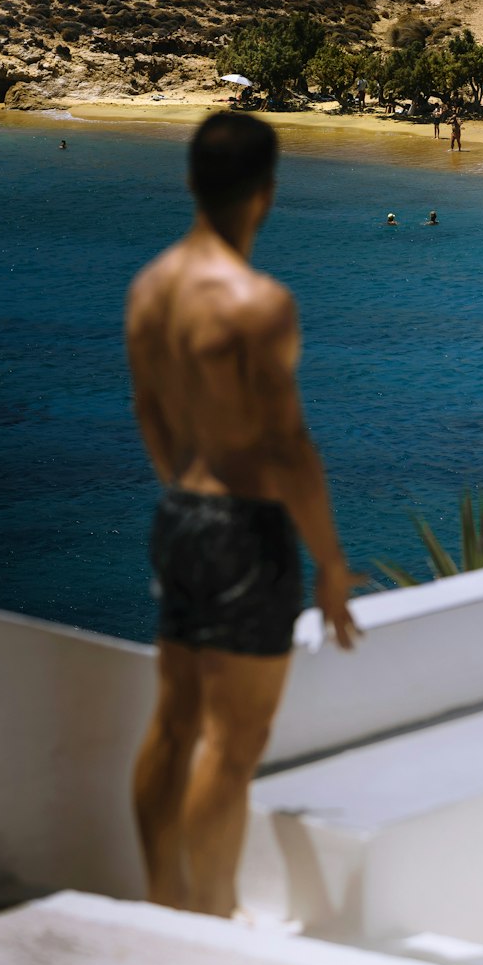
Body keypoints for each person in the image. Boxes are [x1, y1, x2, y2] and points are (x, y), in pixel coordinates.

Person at [125, 112, 358, 918]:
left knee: (173, 722)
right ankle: (209, 912)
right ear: (266, 196)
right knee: (233, 745)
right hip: (245, 531)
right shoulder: (258, 305)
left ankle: (162, 899)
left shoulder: (149, 289)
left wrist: (190, 492)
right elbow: (289, 446)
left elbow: (151, 414)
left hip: (178, 513)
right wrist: (329, 562)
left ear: (192, 182)